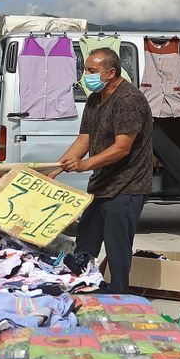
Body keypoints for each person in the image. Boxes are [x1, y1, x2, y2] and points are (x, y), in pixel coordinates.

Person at [58, 47, 154, 293]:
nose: (85, 76)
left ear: (111, 73)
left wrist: (85, 164)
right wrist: (55, 170)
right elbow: (83, 141)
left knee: (117, 250)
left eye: (91, 71)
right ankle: (82, 288)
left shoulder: (128, 100)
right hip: (102, 185)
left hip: (127, 186)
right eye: (85, 69)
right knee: (85, 244)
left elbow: (122, 147)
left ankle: (120, 298)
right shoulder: (94, 99)